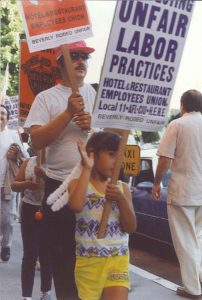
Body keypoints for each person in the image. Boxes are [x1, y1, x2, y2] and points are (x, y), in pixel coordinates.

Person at [24, 40, 96, 299]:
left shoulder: (95, 95)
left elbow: (108, 142)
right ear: (59, 63)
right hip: (59, 188)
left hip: (91, 185)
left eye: (84, 57)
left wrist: (92, 128)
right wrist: (67, 113)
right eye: (74, 56)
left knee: (91, 252)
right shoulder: (46, 98)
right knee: (63, 256)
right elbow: (36, 141)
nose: (80, 61)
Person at [68, 131, 137, 300]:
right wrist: (87, 167)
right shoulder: (78, 183)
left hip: (117, 260)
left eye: (119, 156)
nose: (117, 161)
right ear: (93, 153)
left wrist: (121, 200)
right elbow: (76, 205)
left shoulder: (122, 189)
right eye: (111, 154)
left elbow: (131, 227)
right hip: (89, 262)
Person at [151, 89, 202, 299]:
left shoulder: (178, 124)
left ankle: (192, 289)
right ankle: (198, 279)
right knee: (197, 238)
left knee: (185, 241)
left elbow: (165, 159)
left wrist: (156, 183)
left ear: (182, 106)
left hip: (183, 191)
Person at [11, 149, 52, 300]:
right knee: (30, 253)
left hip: (49, 210)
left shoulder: (57, 164)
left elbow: (64, 188)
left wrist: (45, 177)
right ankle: (26, 295)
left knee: (47, 253)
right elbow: (15, 184)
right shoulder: (29, 162)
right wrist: (25, 184)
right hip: (29, 209)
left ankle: (46, 291)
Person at [0, 104, 27, 262]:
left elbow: (24, 157)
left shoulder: (12, 136)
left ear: (7, 118)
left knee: (8, 219)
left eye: (3, 113)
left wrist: (15, 154)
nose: (0, 116)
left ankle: (6, 245)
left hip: (8, 184)